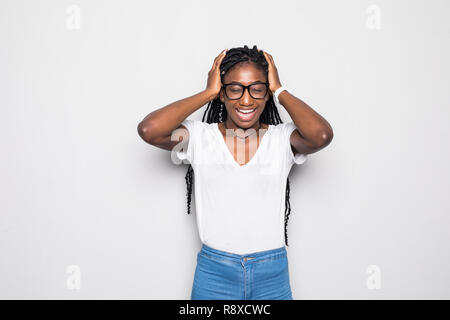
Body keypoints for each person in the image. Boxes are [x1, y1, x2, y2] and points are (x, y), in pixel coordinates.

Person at [137, 45, 333, 300]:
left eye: (257, 89)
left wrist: (280, 90)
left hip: (271, 274)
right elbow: (149, 130)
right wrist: (207, 93)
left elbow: (321, 135)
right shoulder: (199, 137)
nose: (246, 99)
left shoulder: (282, 139)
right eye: (235, 89)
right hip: (214, 273)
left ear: (266, 94)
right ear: (222, 92)